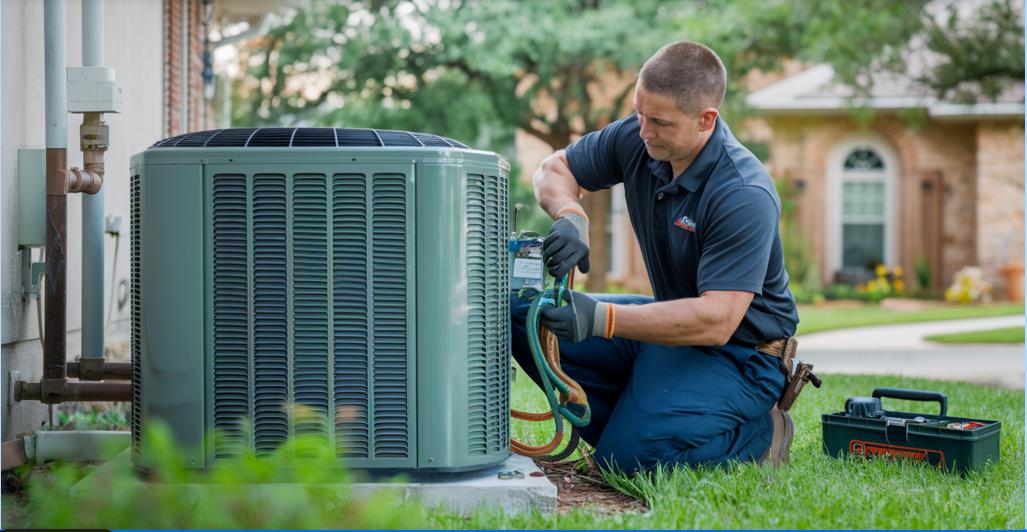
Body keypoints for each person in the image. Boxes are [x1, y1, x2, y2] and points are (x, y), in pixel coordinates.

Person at [510, 41, 800, 474]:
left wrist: (601, 318)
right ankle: (631, 429)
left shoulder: (742, 193)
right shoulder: (640, 138)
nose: (643, 130)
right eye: (639, 112)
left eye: (659, 121)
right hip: (671, 332)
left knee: (630, 461)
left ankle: (761, 435)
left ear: (706, 120)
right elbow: (552, 168)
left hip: (742, 355)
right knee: (525, 314)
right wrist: (571, 215)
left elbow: (718, 319)